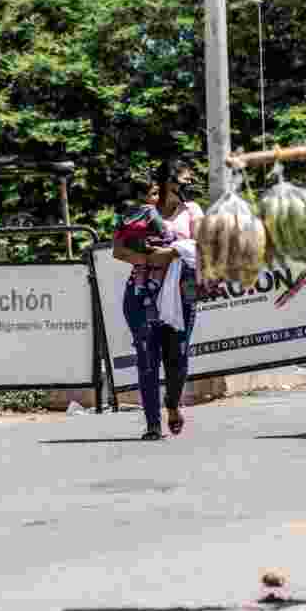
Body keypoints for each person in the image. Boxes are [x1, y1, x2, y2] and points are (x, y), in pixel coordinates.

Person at [112, 157, 203, 440]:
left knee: (178, 357)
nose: (190, 183)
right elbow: (118, 250)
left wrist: (175, 253)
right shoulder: (141, 210)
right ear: (168, 182)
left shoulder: (193, 210)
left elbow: (201, 248)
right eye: (185, 178)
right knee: (147, 357)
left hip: (181, 291)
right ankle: (152, 423)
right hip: (142, 292)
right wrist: (151, 258)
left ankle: (172, 404)